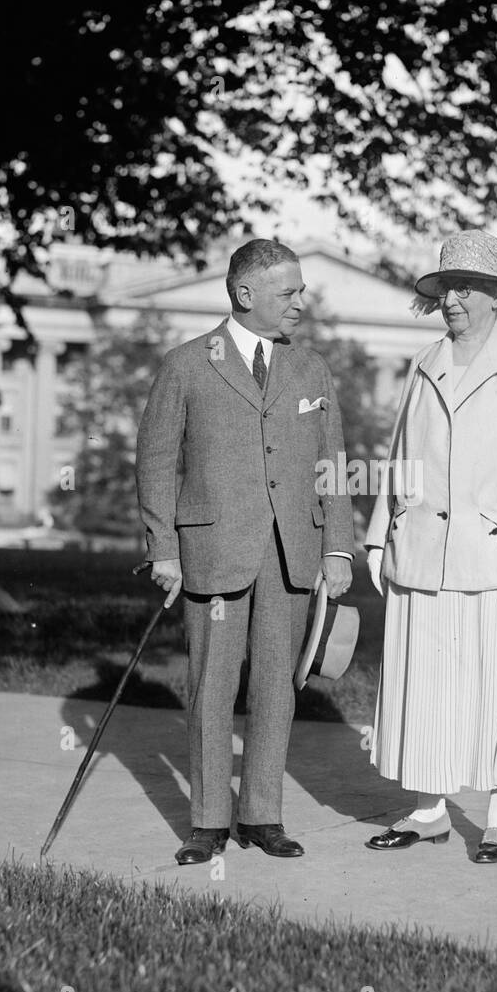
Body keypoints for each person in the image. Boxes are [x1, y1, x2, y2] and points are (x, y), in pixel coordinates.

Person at [136, 238, 354, 866]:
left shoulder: (311, 369)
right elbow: (155, 461)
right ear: (244, 294)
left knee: (279, 686)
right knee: (211, 685)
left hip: (292, 550)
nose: (300, 304)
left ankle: (262, 815)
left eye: (300, 291)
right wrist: (164, 549)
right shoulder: (184, 364)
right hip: (213, 550)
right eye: (288, 293)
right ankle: (207, 821)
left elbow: (331, 464)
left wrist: (338, 546)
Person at [363, 231, 497, 862]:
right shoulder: (424, 362)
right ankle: (428, 810)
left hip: (495, 558)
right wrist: (378, 536)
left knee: (495, 687)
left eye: (466, 288)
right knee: (422, 683)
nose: (452, 299)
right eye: (446, 287)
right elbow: (398, 456)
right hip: (420, 550)